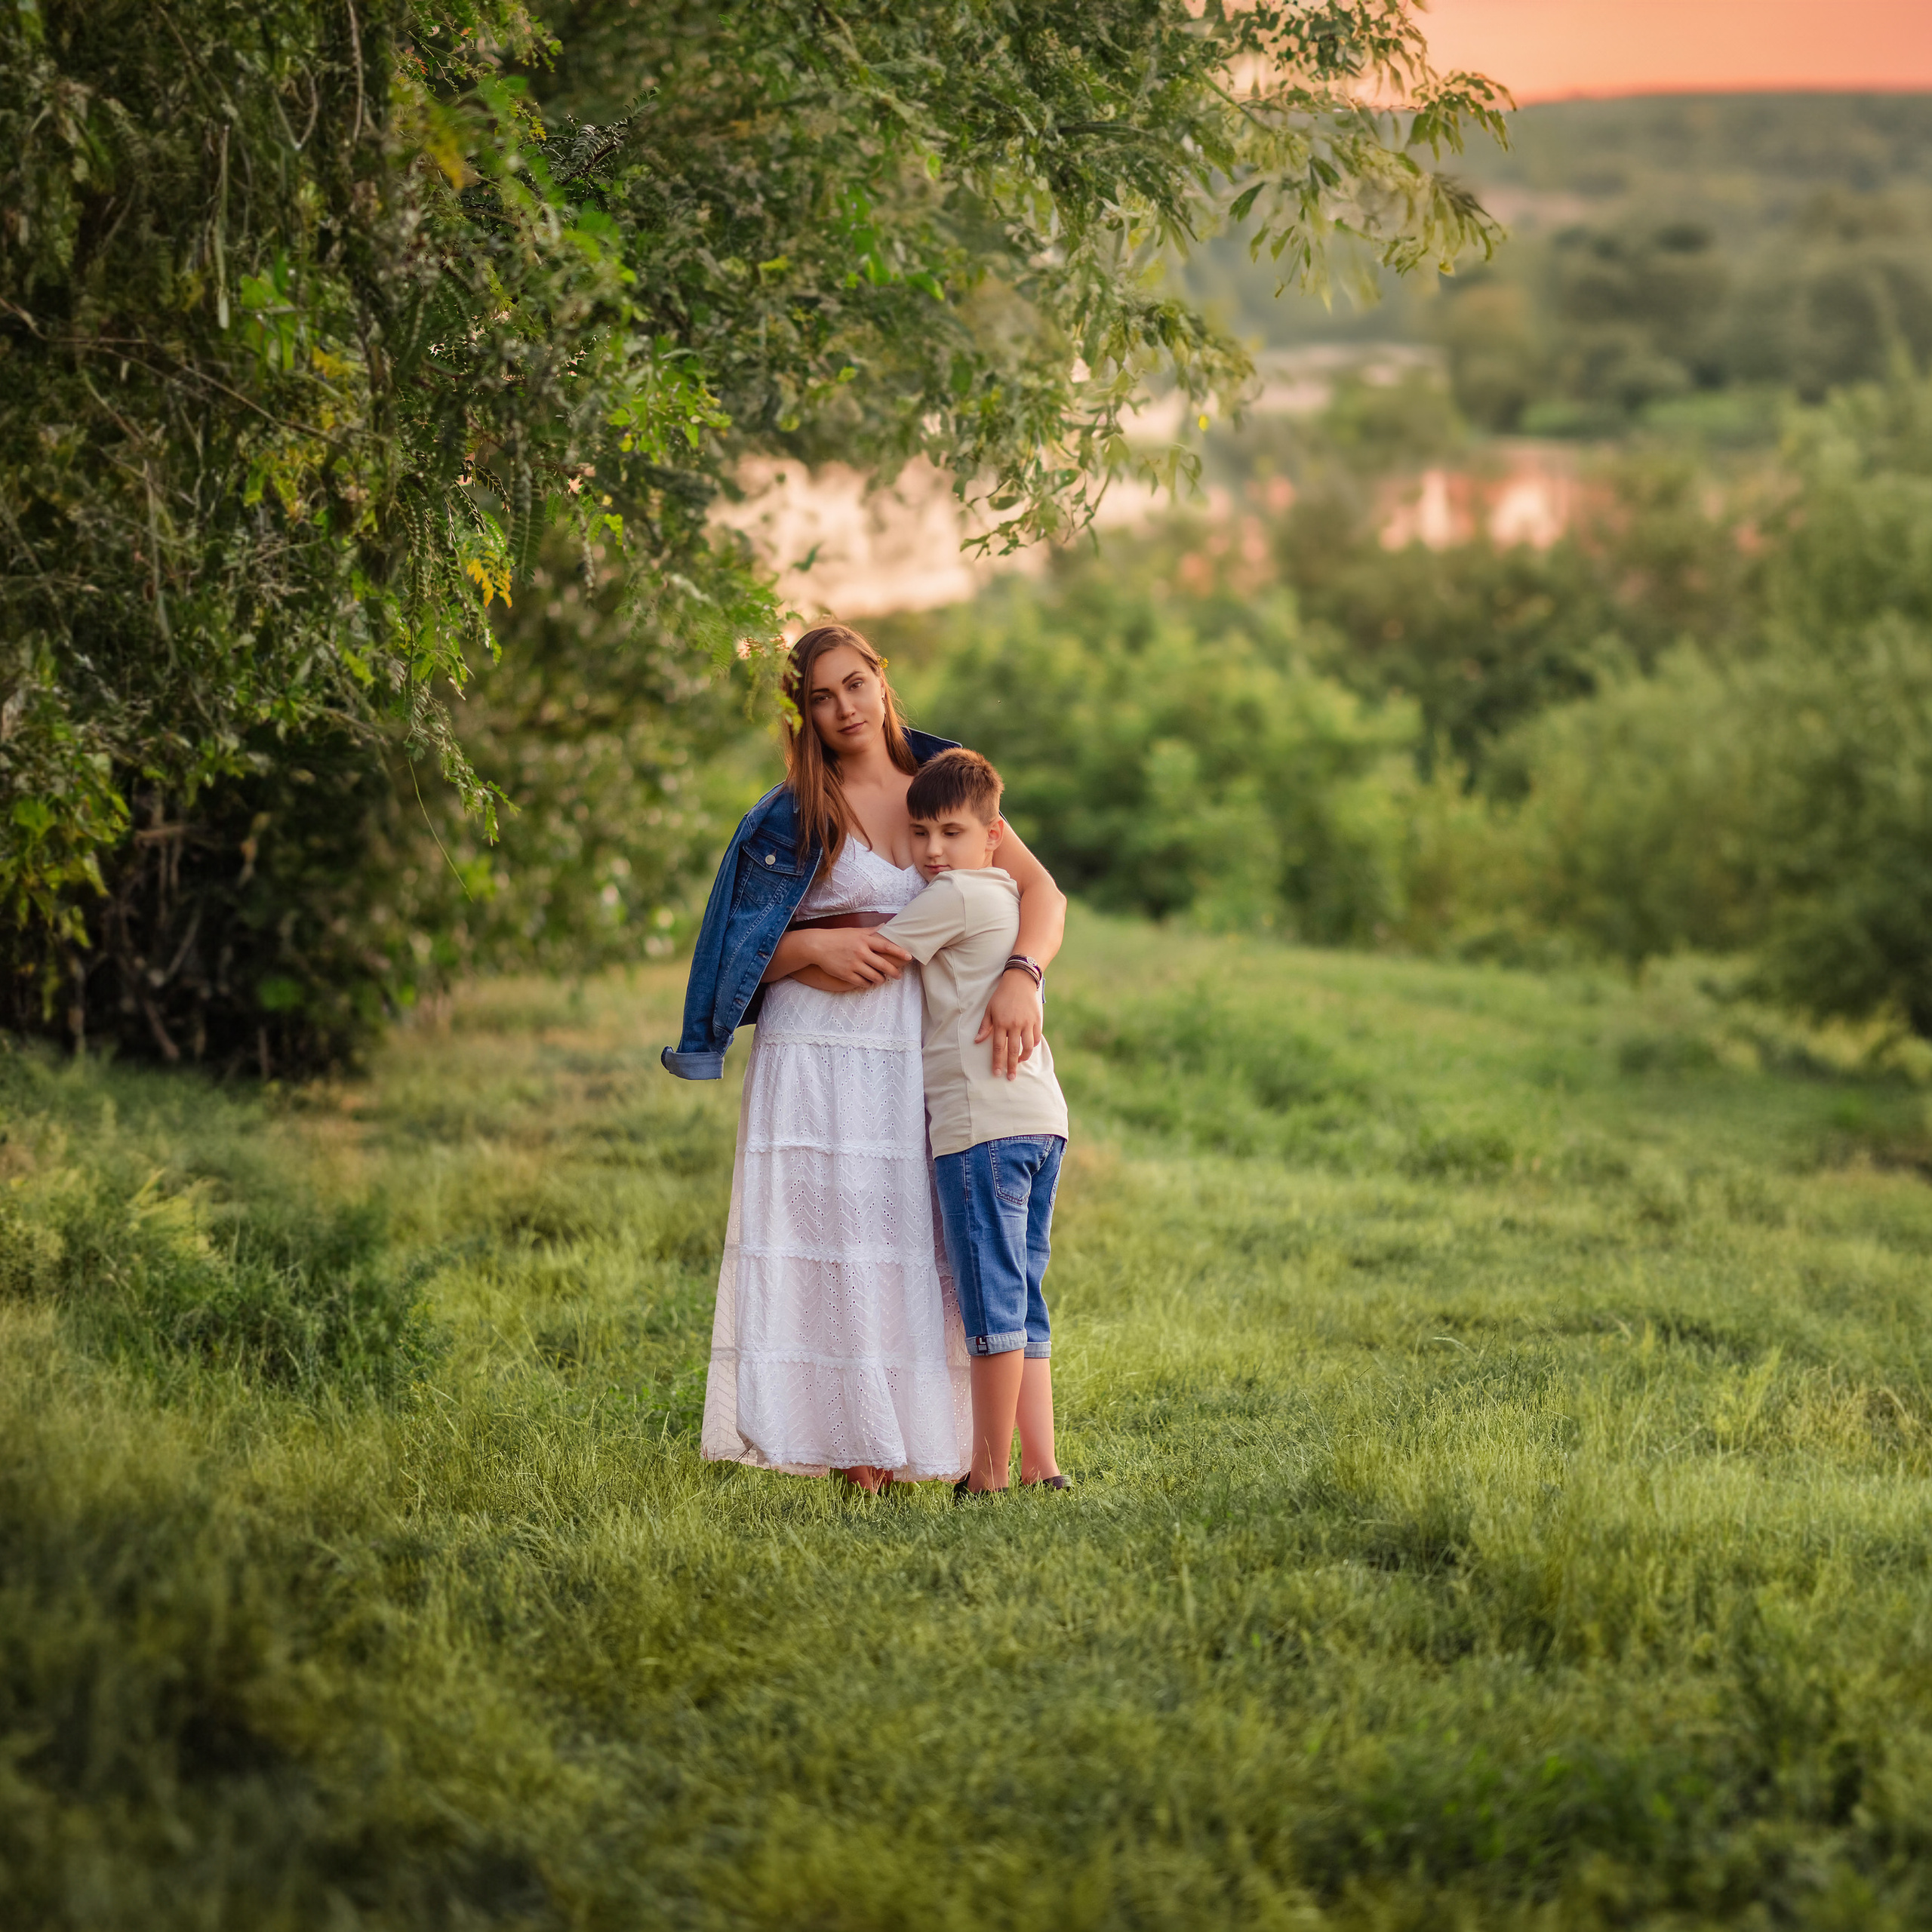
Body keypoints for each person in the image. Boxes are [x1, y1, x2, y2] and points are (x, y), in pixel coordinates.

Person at [663, 624, 1066, 1492]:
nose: (842, 707)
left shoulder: (944, 780)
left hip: (911, 1051)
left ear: (882, 682)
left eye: (854, 684)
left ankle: (939, 1442)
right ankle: (857, 1452)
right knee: (835, 1238)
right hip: (813, 1051)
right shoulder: (786, 814)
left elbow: (1038, 890)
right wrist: (810, 950)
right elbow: (731, 954)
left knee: (906, 1238)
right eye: (819, 696)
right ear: (802, 714)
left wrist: (1024, 975)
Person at [876, 749, 1070, 1495]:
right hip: (1037, 1119)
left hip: (979, 1128)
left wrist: (784, 955)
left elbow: (879, 953)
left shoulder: (954, 895)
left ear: (994, 836)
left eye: (951, 832)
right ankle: (1041, 1466)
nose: (930, 851)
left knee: (991, 1303)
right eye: (919, 833)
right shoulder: (1005, 897)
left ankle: (987, 1473)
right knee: (1022, 1295)